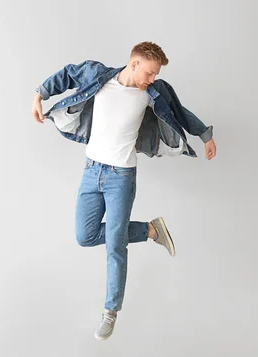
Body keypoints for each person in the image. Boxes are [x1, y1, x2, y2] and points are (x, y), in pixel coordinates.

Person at [31, 41, 217, 340]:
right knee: (85, 236)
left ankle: (110, 311)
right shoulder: (99, 77)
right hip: (92, 172)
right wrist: (39, 95)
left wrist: (205, 135)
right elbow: (68, 74)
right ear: (134, 64)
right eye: (150, 72)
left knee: (116, 245)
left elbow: (180, 113)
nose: (152, 78)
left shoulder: (152, 93)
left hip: (121, 177)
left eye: (156, 74)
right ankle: (151, 231)